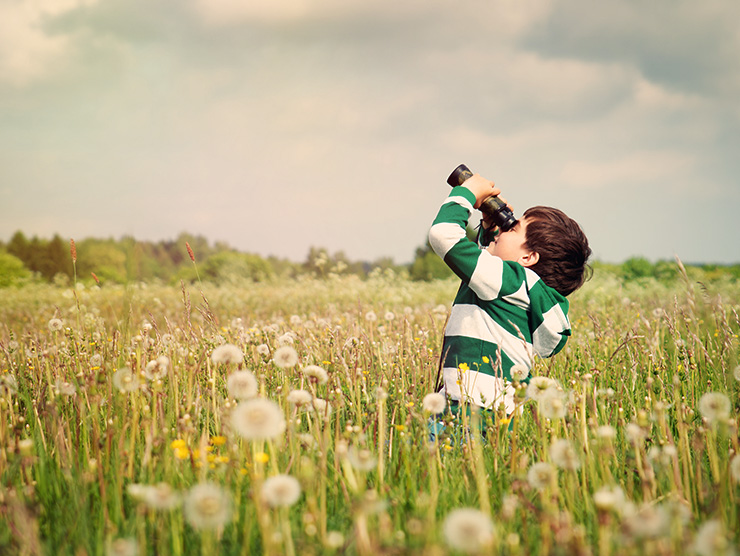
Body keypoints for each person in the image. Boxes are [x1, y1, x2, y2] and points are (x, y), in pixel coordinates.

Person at [428, 172, 591, 423]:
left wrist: (467, 193)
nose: (503, 230)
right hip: (499, 415)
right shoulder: (522, 290)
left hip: (468, 410)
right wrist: (488, 228)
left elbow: (443, 236)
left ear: (527, 258)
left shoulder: (511, 280)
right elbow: (486, 267)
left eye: (513, 228)